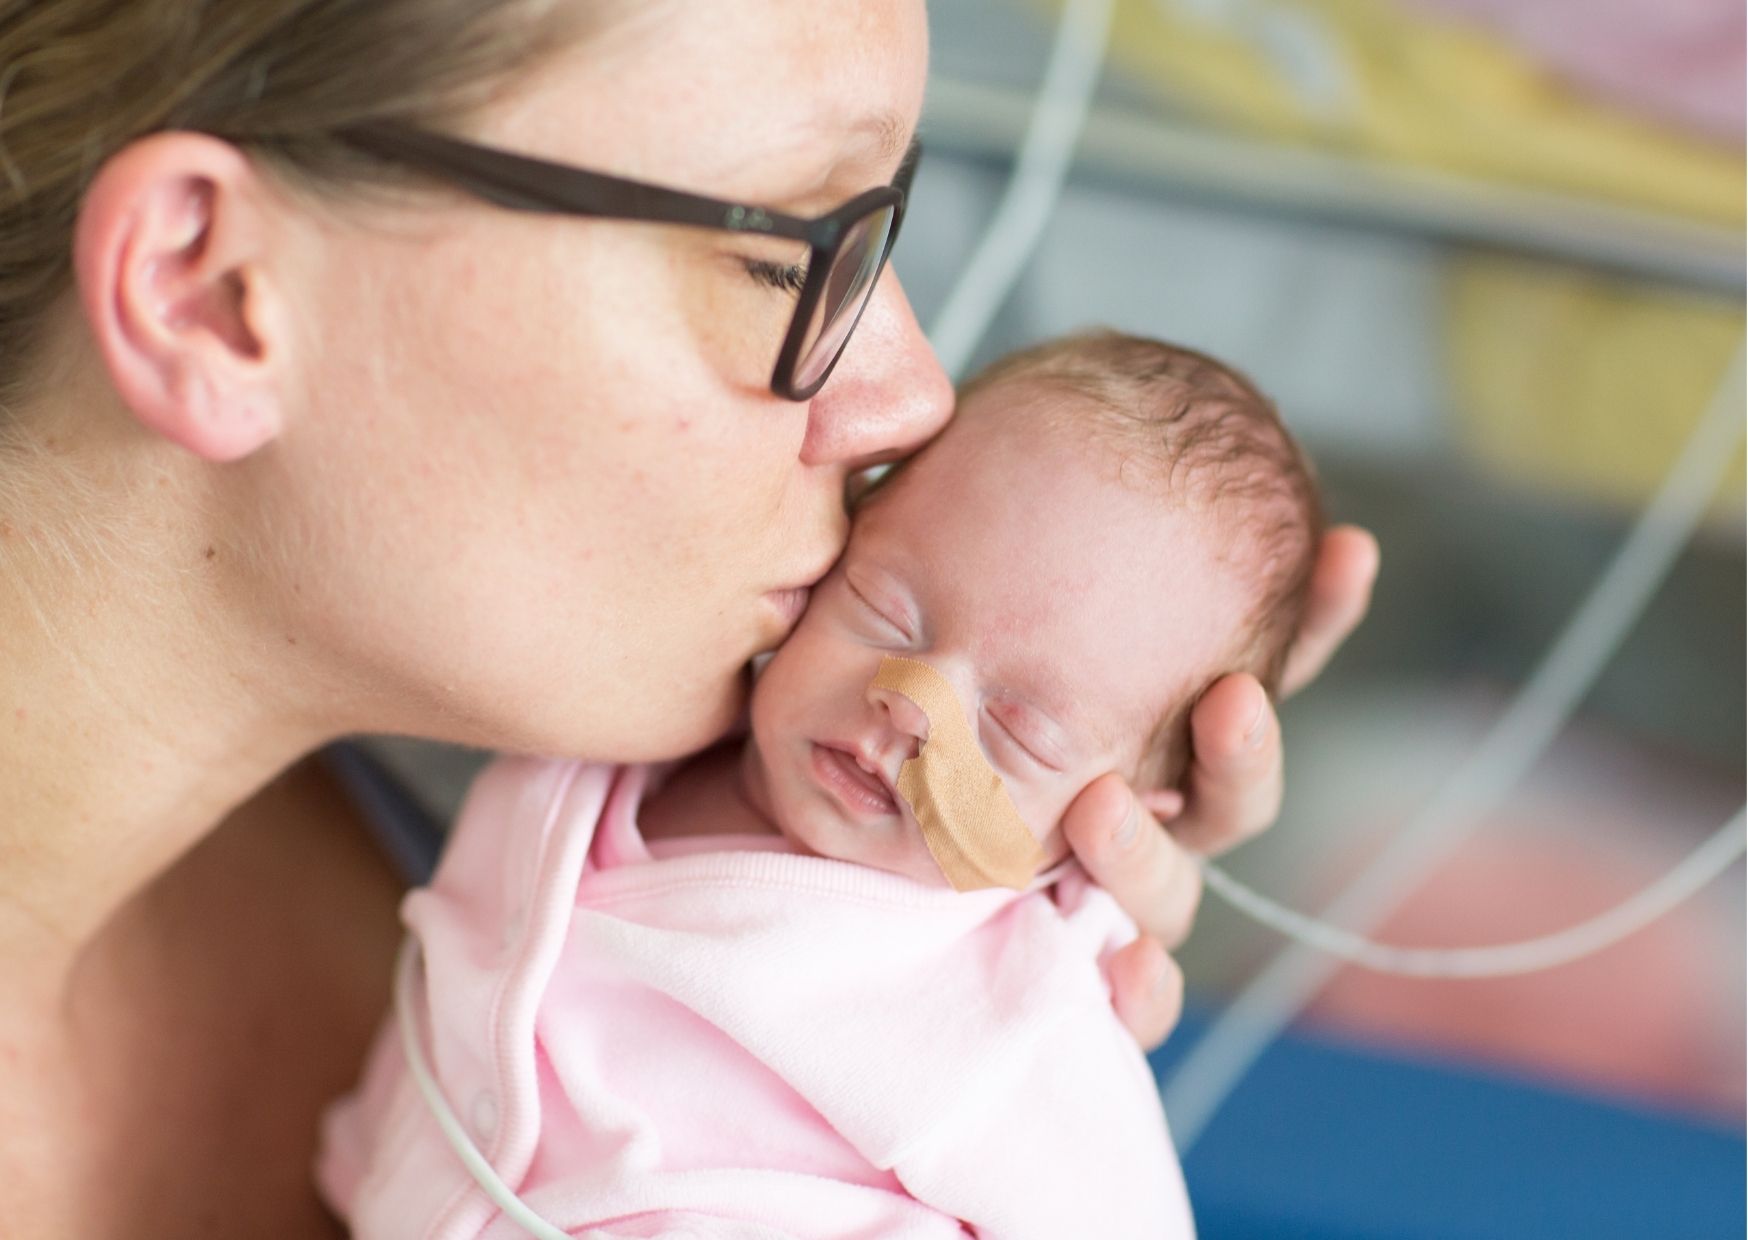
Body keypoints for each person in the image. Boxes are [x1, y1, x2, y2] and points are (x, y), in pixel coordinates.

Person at [0, 3, 1378, 1236]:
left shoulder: (488, 792)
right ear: (212, 290)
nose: (911, 400)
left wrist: (1011, 825)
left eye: (887, 224)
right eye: (788, 253)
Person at [318, 332, 1321, 1238]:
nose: (911, 704)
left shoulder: (1009, 1012)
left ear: (1108, 826)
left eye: (1018, 729)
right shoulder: (605, 742)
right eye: (885, 612)